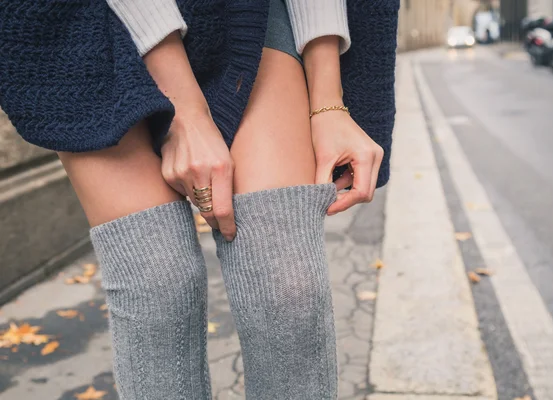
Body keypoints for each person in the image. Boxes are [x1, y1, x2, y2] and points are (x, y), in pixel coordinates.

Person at [0, 0, 399, 398]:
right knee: (159, 287)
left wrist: (328, 102)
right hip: (83, 18)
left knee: (287, 293)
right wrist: (186, 112)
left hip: (238, 14)